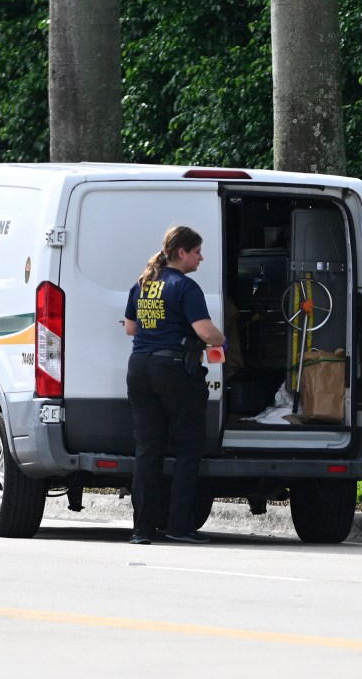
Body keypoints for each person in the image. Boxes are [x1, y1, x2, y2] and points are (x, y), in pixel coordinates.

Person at [123, 226, 226, 544]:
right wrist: (224, 339)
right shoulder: (185, 286)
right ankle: (179, 526)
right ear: (181, 252)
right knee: (187, 448)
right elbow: (207, 333)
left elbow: (130, 328)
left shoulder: (143, 283)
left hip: (140, 368)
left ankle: (141, 530)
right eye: (197, 251)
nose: (201, 257)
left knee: (148, 449)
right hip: (174, 370)